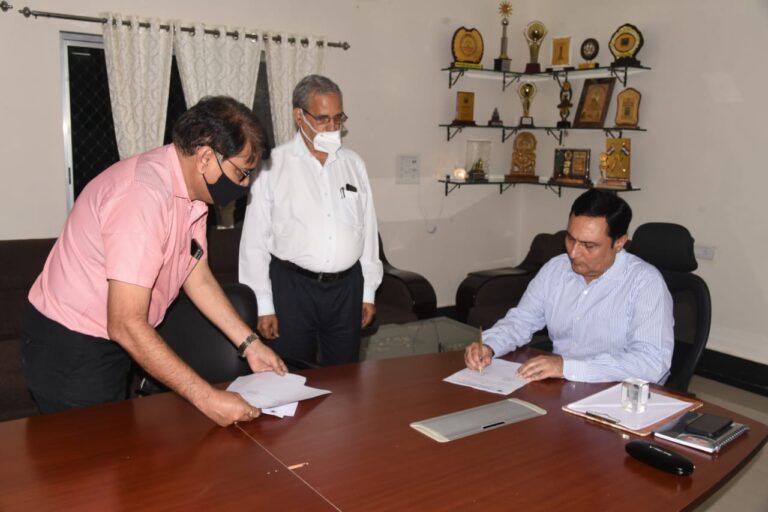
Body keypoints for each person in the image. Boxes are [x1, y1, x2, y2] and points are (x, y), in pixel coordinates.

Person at [22, 96, 287, 426]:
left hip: (111, 336)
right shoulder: (142, 198)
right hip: (72, 346)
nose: (245, 184)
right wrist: (209, 399)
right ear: (206, 157)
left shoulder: (190, 192)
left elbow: (197, 275)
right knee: (93, 451)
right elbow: (126, 323)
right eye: (242, 172)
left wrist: (250, 344)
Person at [239, 74, 382, 366]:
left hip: (346, 290)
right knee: (290, 374)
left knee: (345, 376)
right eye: (323, 119)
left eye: (338, 118)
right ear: (299, 116)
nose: (332, 127)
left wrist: (368, 292)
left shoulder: (353, 164)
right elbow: (254, 241)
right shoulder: (271, 166)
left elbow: (367, 231)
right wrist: (263, 304)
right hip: (293, 289)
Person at [465, 189, 674, 384]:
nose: (573, 253)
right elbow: (521, 320)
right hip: (562, 385)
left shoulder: (645, 283)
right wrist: (489, 345)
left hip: (618, 394)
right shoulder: (556, 269)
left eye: (589, 246)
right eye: (570, 239)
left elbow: (651, 362)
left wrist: (567, 367)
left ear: (619, 243)